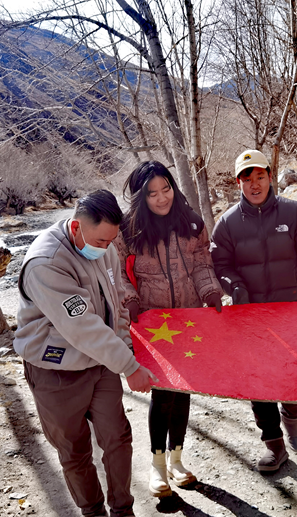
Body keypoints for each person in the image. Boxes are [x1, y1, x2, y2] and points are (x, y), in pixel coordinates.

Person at [14, 190, 155, 517]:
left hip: (101, 364)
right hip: (55, 370)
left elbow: (116, 303)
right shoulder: (46, 263)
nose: (107, 248)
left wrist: (123, 347)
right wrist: (130, 366)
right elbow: (83, 327)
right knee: (73, 446)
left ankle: (122, 513)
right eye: (101, 241)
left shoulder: (104, 247)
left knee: (117, 437)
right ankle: (92, 514)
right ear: (76, 227)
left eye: (111, 241)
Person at [115, 161, 223, 498]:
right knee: (162, 394)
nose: (162, 198)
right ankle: (157, 465)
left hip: (189, 320)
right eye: (152, 193)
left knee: (183, 392)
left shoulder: (191, 222)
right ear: (140, 197)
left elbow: (203, 264)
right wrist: (130, 299)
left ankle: (177, 460)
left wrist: (210, 291)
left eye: (166, 189)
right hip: (153, 324)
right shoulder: (127, 231)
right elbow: (117, 272)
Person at [211, 149, 297, 473]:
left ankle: (292, 415)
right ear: (238, 183)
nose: (254, 184)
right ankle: (274, 445)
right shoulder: (227, 224)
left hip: (290, 311)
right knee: (258, 381)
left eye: (260, 176)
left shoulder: (293, 212)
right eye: (247, 179)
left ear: (270, 176)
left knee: (293, 374)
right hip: (251, 316)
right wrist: (234, 286)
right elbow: (220, 266)